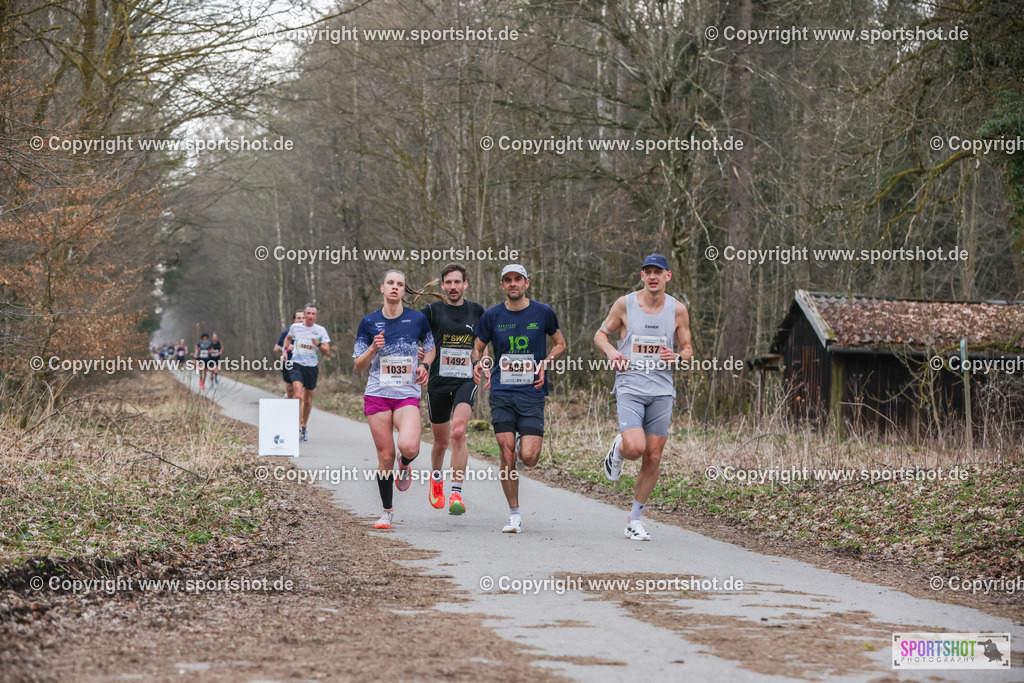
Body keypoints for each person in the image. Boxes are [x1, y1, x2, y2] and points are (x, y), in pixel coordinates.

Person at [594, 254, 693, 541]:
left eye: (658, 272)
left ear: (667, 276)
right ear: (641, 276)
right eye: (647, 272)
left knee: (653, 455)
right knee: (636, 448)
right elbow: (601, 335)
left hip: (662, 390)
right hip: (630, 387)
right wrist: (612, 352)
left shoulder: (678, 310)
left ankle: (634, 519)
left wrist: (676, 356)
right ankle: (620, 448)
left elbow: (687, 348)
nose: (653, 276)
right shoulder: (625, 304)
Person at [473, 264, 566, 534]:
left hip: (532, 392)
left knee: (530, 457)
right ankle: (514, 514)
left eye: (517, 279)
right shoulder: (492, 315)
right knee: (507, 454)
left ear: (526, 282)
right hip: (502, 391)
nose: (513, 284)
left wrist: (546, 362)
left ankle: (518, 441)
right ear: (502, 285)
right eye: (507, 280)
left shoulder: (543, 312)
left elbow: (560, 343)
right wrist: (482, 363)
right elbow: (477, 348)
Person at [353, 270, 435, 530]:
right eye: (391, 283)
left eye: (400, 284)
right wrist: (373, 348)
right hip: (377, 394)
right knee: (385, 456)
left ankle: (405, 464)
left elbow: (431, 349)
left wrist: (425, 365)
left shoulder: (418, 319)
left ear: (403, 290)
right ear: (382, 288)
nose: (395, 288)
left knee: (409, 447)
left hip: (406, 394)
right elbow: (358, 365)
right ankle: (386, 512)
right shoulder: (368, 322)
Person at [422, 263, 485, 515]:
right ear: (443, 285)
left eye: (457, 282)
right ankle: (437, 478)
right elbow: (419, 338)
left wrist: (482, 363)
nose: (453, 287)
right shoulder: (431, 310)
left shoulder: (477, 311)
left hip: (465, 380)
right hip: (437, 382)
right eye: (448, 282)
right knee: (440, 442)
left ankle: (456, 493)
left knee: (458, 432)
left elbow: (481, 345)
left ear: (465, 285)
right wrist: (418, 352)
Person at [284, 304, 331, 441]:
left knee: (308, 400)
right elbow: (288, 337)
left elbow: (327, 351)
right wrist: (285, 351)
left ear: (316, 316)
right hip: (297, 364)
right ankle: (298, 427)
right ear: (304, 314)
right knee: (298, 395)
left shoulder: (321, 330)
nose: (310, 316)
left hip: (311, 367)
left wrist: (318, 344)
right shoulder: (295, 327)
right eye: (308, 313)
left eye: (313, 314)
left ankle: (304, 425)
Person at [275, 310, 304, 398]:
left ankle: (298, 409)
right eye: (299, 318)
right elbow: (276, 348)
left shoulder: (309, 333)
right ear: (294, 320)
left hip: (302, 364)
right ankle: (287, 398)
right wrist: (286, 348)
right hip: (288, 363)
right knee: (290, 389)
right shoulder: (287, 332)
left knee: (299, 390)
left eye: (303, 318)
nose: (301, 320)